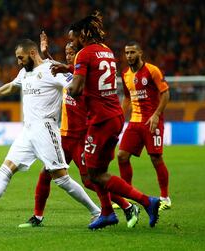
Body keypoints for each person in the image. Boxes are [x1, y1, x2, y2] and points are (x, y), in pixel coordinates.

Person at [0, 39, 101, 229]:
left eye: (20, 58)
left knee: (62, 179)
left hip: (46, 130)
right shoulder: (25, 72)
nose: (18, 62)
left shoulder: (52, 70)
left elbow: (76, 87)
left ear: (32, 53)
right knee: (5, 170)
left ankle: (96, 211)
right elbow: (11, 86)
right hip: (28, 131)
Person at [18, 29, 140, 229]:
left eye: (71, 53)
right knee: (45, 173)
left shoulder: (84, 78)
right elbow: (60, 69)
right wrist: (46, 54)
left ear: (80, 54)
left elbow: (70, 75)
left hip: (81, 137)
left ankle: (127, 206)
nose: (68, 57)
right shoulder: (72, 73)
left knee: (91, 181)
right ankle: (37, 217)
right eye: (66, 54)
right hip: (65, 136)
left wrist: (52, 60)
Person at [67, 11, 161, 230]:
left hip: (100, 120)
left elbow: (77, 88)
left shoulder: (83, 54)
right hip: (115, 115)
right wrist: (69, 68)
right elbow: (96, 75)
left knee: (93, 175)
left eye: (73, 39)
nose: (72, 43)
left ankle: (147, 202)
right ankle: (108, 213)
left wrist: (68, 86)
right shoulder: (107, 51)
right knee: (99, 169)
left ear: (82, 35)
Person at [118, 41, 171, 211]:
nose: (129, 56)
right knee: (122, 156)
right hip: (134, 121)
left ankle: (165, 197)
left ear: (140, 53)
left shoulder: (152, 70)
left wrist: (156, 115)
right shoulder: (125, 73)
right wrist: (119, 116)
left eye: (132, 52)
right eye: (127, 53)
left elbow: (165, 93)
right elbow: (127, 98)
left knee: (156, 158)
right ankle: (127, 196)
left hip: (151, 122)